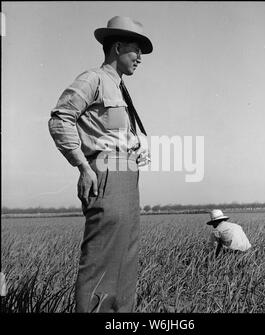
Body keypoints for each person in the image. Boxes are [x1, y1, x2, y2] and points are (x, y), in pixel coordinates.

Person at [48, 16, 153, 312]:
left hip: (126, 175)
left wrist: (135, 151)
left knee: (125, 261)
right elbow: (60, 119)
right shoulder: (93, 79)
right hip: (106, 175)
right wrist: (82, 165)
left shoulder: (119, 87)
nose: (140, 58)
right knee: (101, 260)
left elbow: (112, 131)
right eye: (136, 50)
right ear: (117, 47)